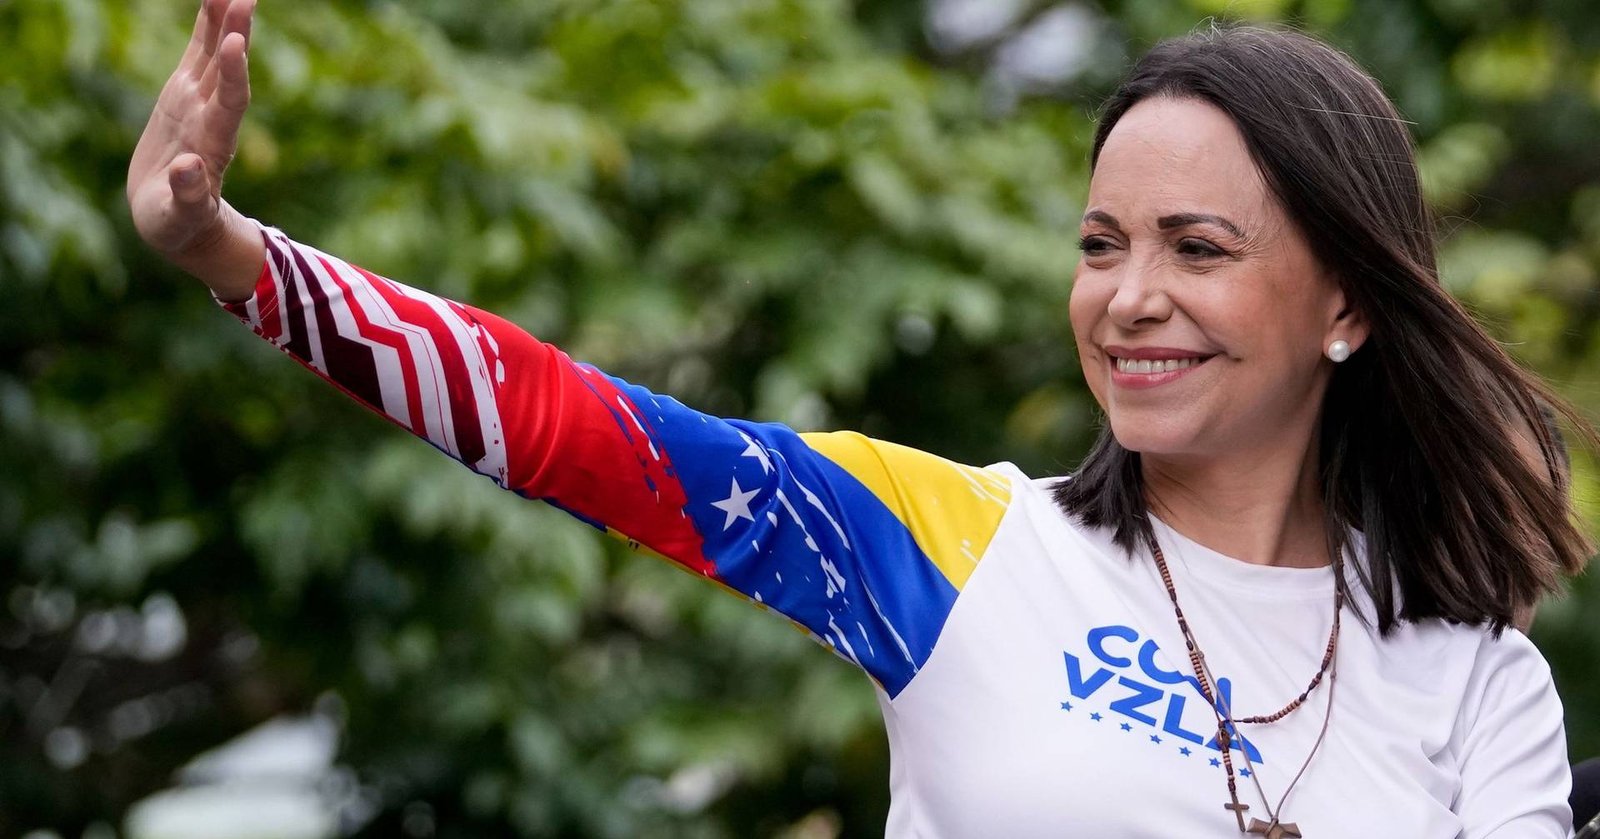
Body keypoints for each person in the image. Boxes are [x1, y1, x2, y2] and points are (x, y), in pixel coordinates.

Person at [129, 1, 1593, 835]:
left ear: (1348, 307)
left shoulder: (1473, 681)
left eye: (1198, 250)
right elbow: (571, 426)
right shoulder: (953, 542)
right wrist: (231, 256)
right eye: (1101, 246)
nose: (1130, 298)